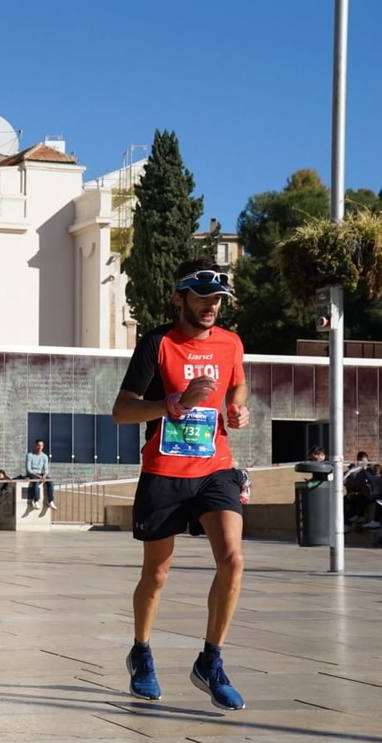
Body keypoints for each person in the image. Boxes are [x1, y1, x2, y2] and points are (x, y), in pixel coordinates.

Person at [112, 258, 250, 711]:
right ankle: (142, 653)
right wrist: (173, 402)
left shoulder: (231, 343)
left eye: (217, 301)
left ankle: (211, 661)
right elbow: (123, 410)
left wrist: (236, 407)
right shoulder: (158, 344)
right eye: (203, 299)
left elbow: (238, 387)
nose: (211, 308)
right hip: (165, 471)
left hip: (216, 467)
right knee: (156, 573)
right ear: (179, 298)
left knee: (233, 560)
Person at [24, 439, 56, 510]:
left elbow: (46, 469)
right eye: (38, 445)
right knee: (36, 481)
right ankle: (36, 500)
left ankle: (50, 501)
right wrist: (39, 476)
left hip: (41, 474)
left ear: (43, 447)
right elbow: (29, 469)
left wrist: (44, 476)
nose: (39, 447)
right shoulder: (29, 455)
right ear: (35, 446)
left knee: (50, 481)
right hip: (32, 473)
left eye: (41, 445)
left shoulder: (45, 456)